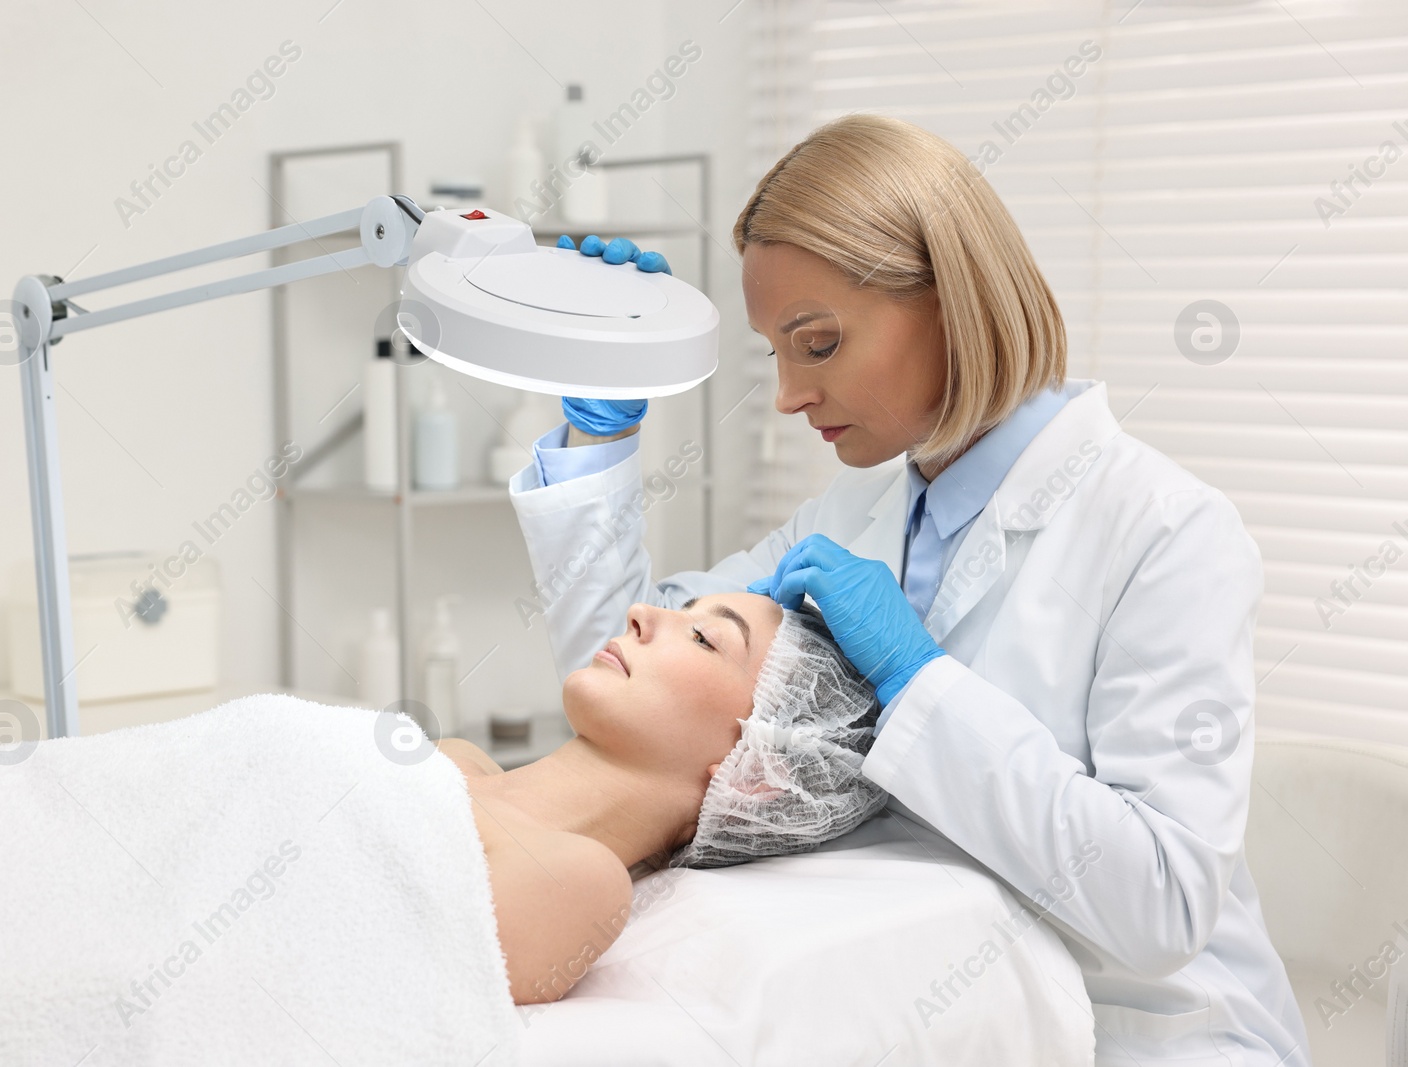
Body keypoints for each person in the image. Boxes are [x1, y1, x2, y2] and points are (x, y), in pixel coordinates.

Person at [510, 114, 1310, 1065]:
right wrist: (603, 430)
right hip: (934, 1006)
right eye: (776, 350)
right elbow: (637, 692)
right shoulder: (852, 514)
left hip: (1145, 1032)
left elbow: (1164, 905)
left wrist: (918, 679)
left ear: (951, 300)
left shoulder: (1167, 532)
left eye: (818, 341)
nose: (788, 396)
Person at [437, 592, 885, 1005]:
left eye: (703, 638)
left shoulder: (576, 882)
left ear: (753, 775)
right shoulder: (455, 755)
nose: (640, 612)